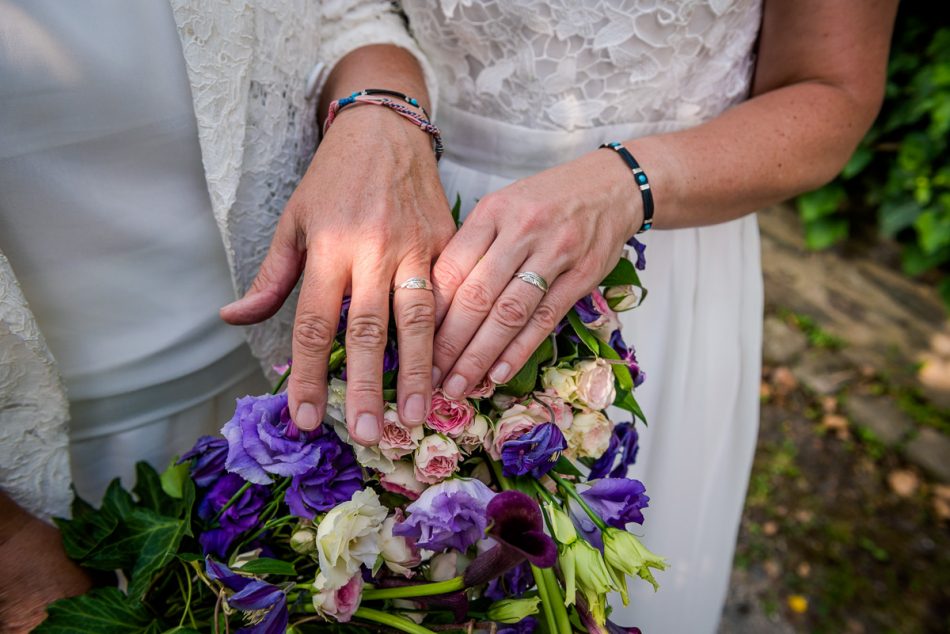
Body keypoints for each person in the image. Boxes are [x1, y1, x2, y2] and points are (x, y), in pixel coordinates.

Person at [232, 0, 897, 630]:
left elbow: (832, 90)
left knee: (599, 595)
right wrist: (374, 106)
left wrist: (630, 184)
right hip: (413, 209)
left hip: (659, 236)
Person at [0, 1, 442, 630]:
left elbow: (350, 14)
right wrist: (9, 551)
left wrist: (378, 113)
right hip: (44, 482)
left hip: (305, 391)